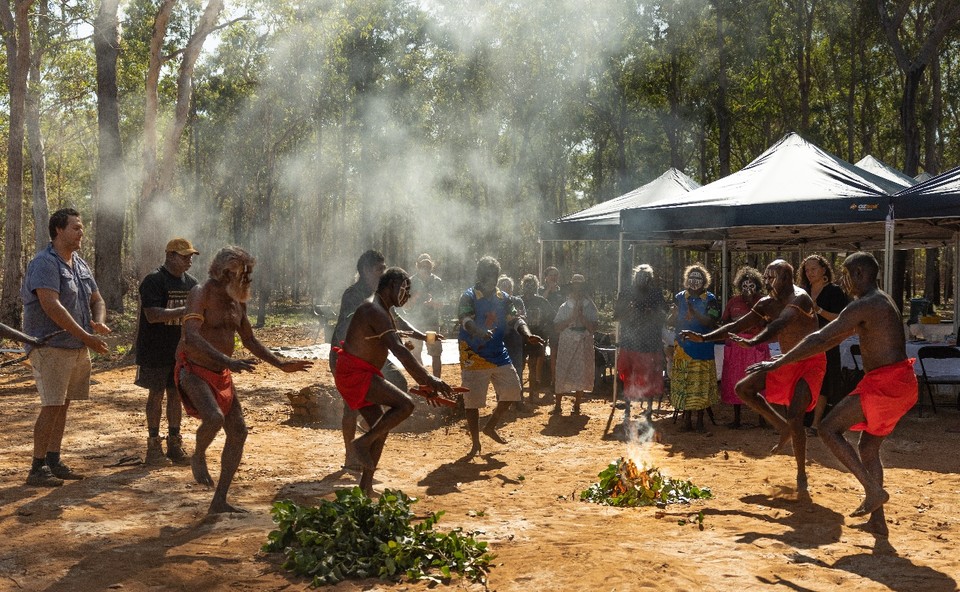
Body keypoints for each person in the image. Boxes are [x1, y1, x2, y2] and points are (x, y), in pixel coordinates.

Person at [746, 252, 916, 535]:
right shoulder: (881, 300)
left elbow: (820, 337)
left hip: (886, 383)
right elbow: (827, 340)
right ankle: (878, 521)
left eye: (847, 276)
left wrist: (778, 361)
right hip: (899, 382)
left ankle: (873, 491)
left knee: (827, 429)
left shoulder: (866, 304)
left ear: (859, 274)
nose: (845, 283)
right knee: (868, 448)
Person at [177, 246, 312, 514]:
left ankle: (219, 501)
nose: (243, 280)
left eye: (245, 275)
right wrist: (229, 361)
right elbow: (191, 335)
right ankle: (199, 454)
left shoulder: (238, 301)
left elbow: (248, 339)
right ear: (222, 271)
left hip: (223, 374)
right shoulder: (200, 293)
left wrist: (280, 364)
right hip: (193, 371)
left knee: (238, 432)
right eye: (238, 274)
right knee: (213, 418)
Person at [684, 259, 823, 494]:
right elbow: (739, 324)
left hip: (809, 362)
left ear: (787, 279)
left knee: (796, 417)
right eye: (766, 277)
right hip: (785, 360)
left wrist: (753, 342)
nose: (768, 282)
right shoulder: (767, 302)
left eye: (773, 277)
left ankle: (801, 472)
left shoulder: (800, 298)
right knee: (743, 389)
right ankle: (781, 427)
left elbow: (778, 325)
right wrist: (705, 338)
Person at [335, 267, 454, 495]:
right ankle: (361, 444)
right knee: (405, 405)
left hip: (362, 372)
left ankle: (365, 486)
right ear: (390, 287)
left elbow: (402, 335)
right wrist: (427, 379)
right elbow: (399, 350)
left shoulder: (383, 309)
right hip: (355, 374)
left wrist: (426, 378)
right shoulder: (373, 309)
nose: (407, 295)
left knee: (382, 425)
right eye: (404, 289)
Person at [21, 208, 111, 487]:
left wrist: (97, 322)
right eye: (76, 227)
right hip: (51, 346)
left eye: (81, 228)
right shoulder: (45, 263)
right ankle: (37, 467)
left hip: (76, 346)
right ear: (59, 230)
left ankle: (53, 460)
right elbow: (51, 305)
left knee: (64, 404)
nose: (81, 232)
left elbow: (98, 299)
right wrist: (86, 336)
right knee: (51, 405)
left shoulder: (80, 264)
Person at [329, 250, 408, 470]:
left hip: (372, 359)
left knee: (399, 383)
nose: (383, 272)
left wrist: (416, 334)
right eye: (379, 269)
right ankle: (351, 455)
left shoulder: (381, 293)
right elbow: (347, 328)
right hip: (347, 357)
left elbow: (397, 319)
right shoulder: (353, 295)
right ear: (365, 271)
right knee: (350, 408)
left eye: (384, 268)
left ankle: (368, 432)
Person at [459, 257, 544, 458]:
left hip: (498, 351)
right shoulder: (468, 296)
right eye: (490, 276)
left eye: (495, 276)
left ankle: (490, 426)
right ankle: (475, 443)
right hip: (473, 353)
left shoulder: (504, 297)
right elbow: (465, 321)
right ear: (481, 276)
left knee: (514, 389)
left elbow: (516, 319)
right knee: (472, 401)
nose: (494, 280)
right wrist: (478, 331)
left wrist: (527, 334)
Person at [135, 238, 200, 465]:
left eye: (191, 256)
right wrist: (186, 309)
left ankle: (175, 443)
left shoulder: (192, 283)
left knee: (176, 394)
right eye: (184, 256)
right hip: (154, 349)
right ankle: (153, 446)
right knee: (156, 393)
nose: (189, 260)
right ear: (170, 256)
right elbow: (153, 315)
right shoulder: (154, 281)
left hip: (180, 351)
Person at [798, 254, 849, 435]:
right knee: (804, 382)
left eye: (813, 269)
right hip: (804, 343)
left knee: (823, 383)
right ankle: (801, 421)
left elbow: (840, 318)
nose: (809, 273)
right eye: (807, 270)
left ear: (824, 270)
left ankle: (816, 424)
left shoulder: (834, 291)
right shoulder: (801, 291)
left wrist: (817, 309)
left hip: (826, 343)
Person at [669, 264, 720, 432]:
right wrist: (673, 315)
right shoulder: (679, 297)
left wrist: (695, 312)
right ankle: (687, 420)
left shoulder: (710, 299)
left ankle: (699, 420)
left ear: (704, 281)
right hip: (683, 349)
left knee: (701, 385)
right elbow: (670, 322)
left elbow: (711, 322)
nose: (694, 281)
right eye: (691, 277)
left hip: (702, 348)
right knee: (684, 384)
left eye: (698, 278)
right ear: (686, 280)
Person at [717, 267, 770, 429]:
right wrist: (736, 327)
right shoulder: (733, 302)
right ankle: (737, 419)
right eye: (745, 286)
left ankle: (762, 419)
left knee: (758, 380)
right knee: (736, 380)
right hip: (737, 347)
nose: (748, 289)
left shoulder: (763, 301)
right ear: (740, 286)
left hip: (757, 344)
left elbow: (770, 321)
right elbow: (724, 321)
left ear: (757, 285)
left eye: (751, 285)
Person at [614, 264, 667, 424]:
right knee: (628, 375)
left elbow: (664, 313)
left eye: (645, 277)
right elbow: (616, 315)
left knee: (649, 375)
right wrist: (628, 312)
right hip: (630, 341)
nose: (642, 279)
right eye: (639, 276)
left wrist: (653, 313)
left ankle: (649, 411)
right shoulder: (626, 293)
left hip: (649, 341)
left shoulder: (656, 293)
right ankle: (628, 409)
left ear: (650, 279)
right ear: (635, 277)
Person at [553, 274, 599, 415]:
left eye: (580, 287)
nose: (577, 291)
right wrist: (571, 318)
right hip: (567, 339)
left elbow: (593, 327)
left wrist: (581, 317)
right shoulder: (564, 306)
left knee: (581, 371)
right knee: (562, 369)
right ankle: (558, 405)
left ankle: (577, 405)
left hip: (583, 340)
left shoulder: (590, 306)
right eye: (575, 287)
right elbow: (557, 327)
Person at [407, 253, 444, 377]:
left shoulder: (437, 282)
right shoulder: (411, 282)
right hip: (416, 325)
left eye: (428, 266)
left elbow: (442, 303)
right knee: (416, 353)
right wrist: (416, 296)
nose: (425, 268)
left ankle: (437, 381)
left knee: (435, 353)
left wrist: (433, 303)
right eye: (422, 265)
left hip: (431, 324)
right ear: (417, 266)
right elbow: (406, 305)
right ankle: (424, 381)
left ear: (431, 266)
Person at [519, 274, 554, 399]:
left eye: (532, 285)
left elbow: (551, 318)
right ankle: (519, 395)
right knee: (520, 366)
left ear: (536, 286)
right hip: (521, 338)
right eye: (527, 285)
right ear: (522, 286)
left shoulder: (541, 301)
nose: (529, 288)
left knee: (533, 366)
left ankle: (533, 393)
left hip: (536, 338)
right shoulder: (518, 300)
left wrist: (545, 331)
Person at [497, 275, 526, 393]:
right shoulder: (495, 301)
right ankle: (501, 399)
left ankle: (519, 399)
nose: (506, 289)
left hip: (515, 339)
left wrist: (518, 317)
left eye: (508, 286)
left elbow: (524, 317)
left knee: (517, 369)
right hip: (500, 340)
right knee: (500, 370)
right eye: (503, 286)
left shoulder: (517, 301)